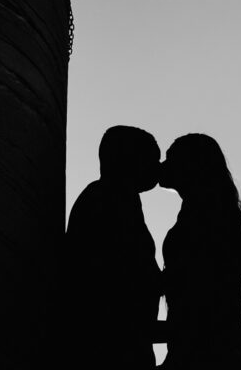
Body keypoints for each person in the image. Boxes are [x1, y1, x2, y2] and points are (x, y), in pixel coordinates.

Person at [158, 133, 241, 369]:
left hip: (212, 351)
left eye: (171, 159)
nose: (162, 166)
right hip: (215, 347)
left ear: (191, 166)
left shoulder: (204, 220)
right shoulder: (204, 214)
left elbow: (200, 296)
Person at [64, 125, 163, 369]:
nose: (158, 167)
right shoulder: (106, 199)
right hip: (110, 347)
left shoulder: (119, 199)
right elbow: (117, 276)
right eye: (152, 159)